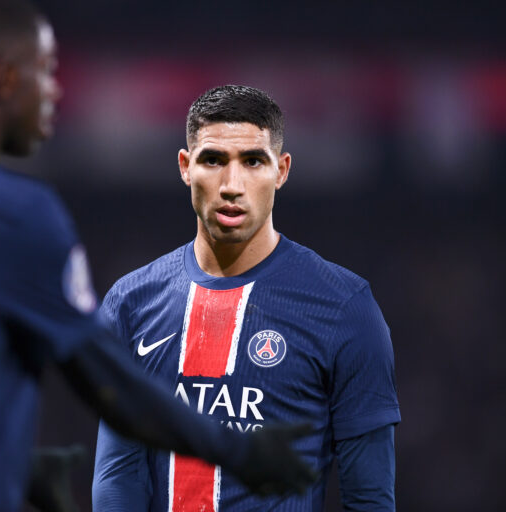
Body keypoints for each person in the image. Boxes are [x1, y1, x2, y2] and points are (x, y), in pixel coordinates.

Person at [0, 2, 316, 510]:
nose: (54, 90)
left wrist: (5, 466)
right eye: (45, 70)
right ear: (4, 78)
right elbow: (107, 382)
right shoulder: (5, 209)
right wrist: (240, 451)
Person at [92, 85, 401, 511]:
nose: (231, 185)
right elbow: (117, 476)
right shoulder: (130, 303)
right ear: (185, 167)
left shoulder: (346, 309)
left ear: (282, 170)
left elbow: (369, 499)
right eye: (213, 160)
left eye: (253, 161)